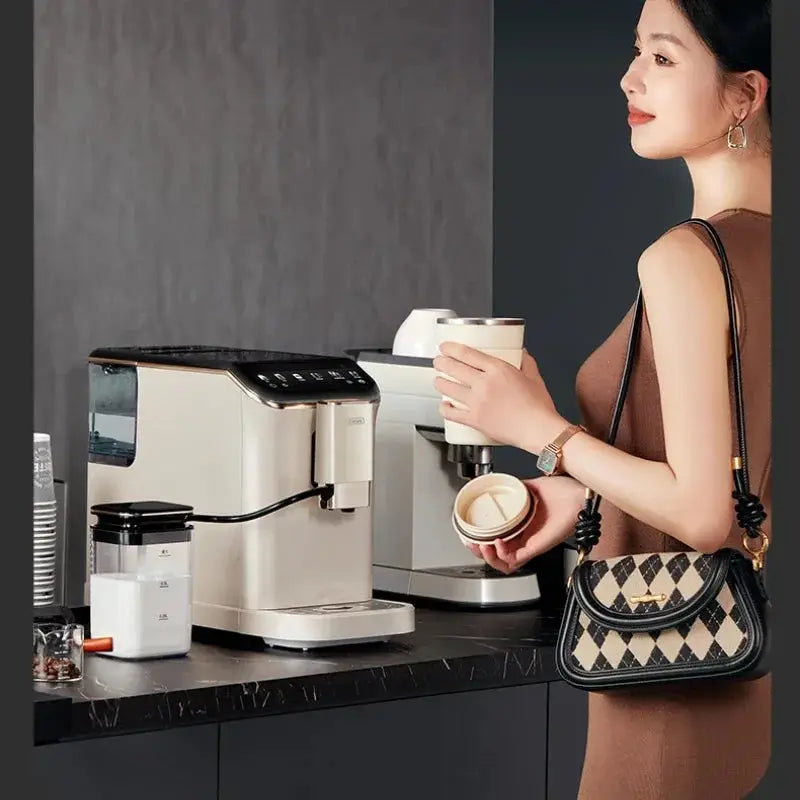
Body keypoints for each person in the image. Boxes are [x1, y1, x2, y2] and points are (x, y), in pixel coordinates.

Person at [433, 0, 772, 797]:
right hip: (746, 687)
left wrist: (542, 430)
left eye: (661, 56)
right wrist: (578, 492)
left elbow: (703, 513)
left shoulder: (688, 259)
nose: (628, 76)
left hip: (667, 684)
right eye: (634, 51)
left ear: (743, 95)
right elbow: (744, 458)